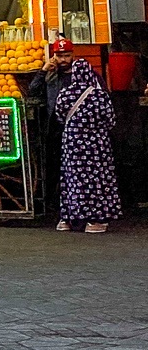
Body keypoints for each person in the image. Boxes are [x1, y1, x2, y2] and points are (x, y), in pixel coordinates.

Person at [47, 42, 122, 232]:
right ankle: (94, 221)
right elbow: (110, 119)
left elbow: (59, 115)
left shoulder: (65, 93)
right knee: (96, 180)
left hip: (71, 143)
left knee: (72, 179)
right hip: (96, 146)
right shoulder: (99, 95)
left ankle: (68, 219)